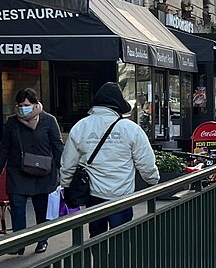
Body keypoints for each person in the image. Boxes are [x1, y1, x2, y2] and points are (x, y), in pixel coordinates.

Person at [59, 83, 160, 237]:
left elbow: (68, 163)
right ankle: (117, 261)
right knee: (120, 239)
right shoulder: (130, 129)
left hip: (93, 195)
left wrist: (66, 185)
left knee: (96, 237)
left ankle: (99, 261)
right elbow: (145, 162)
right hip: (121, 196)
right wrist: (153, 181)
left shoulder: (81, 127)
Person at [0, 88, 63, 256]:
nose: (23, 108)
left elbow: (57, 145)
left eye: (27, 104)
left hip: (43, 172)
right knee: (17, 208)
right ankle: (19, 242)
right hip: (18, 171)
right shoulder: (12, 122)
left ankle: (42, 240)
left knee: (41, 209)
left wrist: (64, 167)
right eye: (20, 105)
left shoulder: (48, 120)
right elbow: (5, 146)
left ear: (35, 104)